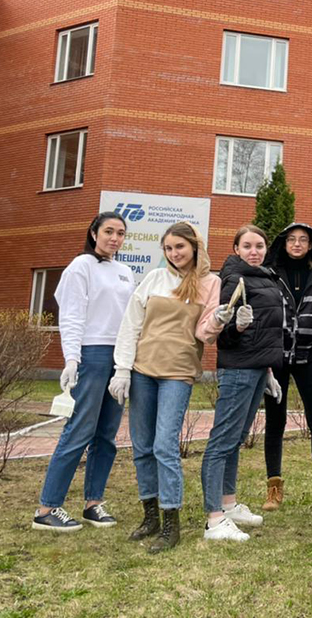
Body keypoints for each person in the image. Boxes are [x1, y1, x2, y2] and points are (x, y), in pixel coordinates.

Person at [109, 222, 222, 553]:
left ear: (194, 247)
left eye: (180, 247)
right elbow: (131, 324)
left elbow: (205, 335)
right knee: (142, 446)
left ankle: (171, 522)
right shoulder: (155, 278)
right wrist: (122, 369)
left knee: (164, 445)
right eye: (169, 249)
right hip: (142, 370)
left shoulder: (210, 283)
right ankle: (151, 517)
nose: (174, 254)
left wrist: (221, 319)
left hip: (178, 372)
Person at [32, 212, 135, 532]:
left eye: (120, 233)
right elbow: (72, 315)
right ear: (93, 233)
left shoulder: (125, 272)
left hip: (118, 357)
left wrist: (127, 361)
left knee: (106, 435)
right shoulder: (81, 267)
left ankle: (93, 503)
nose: (114, 238)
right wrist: (72, 359)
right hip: (91, 354)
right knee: (79, 430)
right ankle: (47, 508)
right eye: (108, 231)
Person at [198, 225, 285, 542]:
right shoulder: (234, 278)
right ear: (236, 249)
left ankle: (229, 504)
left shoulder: (265, 276)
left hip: (257, 368)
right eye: (247, 246)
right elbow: (224, 335)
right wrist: (236, 326)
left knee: (235, 440)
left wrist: (268, 370)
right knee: (222, 442)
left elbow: (265, 331)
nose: (254, 251)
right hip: (238, 369)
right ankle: (214, 520)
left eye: (259, 245)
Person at [260, 222, 312, 512]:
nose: (297, 244)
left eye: (303, 239)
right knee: (275, 421)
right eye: (292, 239)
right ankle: (273, 489)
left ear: (311, 245)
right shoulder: (270, 275)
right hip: (276, 357)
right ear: (284, 243)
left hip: (309, 355)